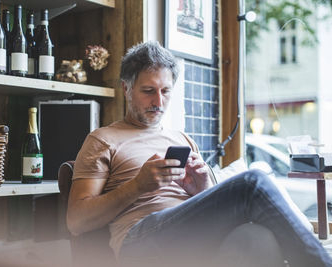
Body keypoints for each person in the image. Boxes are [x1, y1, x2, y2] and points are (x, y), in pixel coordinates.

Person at [66, 41, 332, 267]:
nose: (158, 102)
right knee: (253, 181)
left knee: (256, 237)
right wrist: (138, 186)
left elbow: (205, 207)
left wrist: (202, 187)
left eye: (165, 91)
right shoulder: (102, 140)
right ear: (126, 89)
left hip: (188, 233)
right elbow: (76, 221)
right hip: (140, 240)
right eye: (148, 91)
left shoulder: (181, 139)